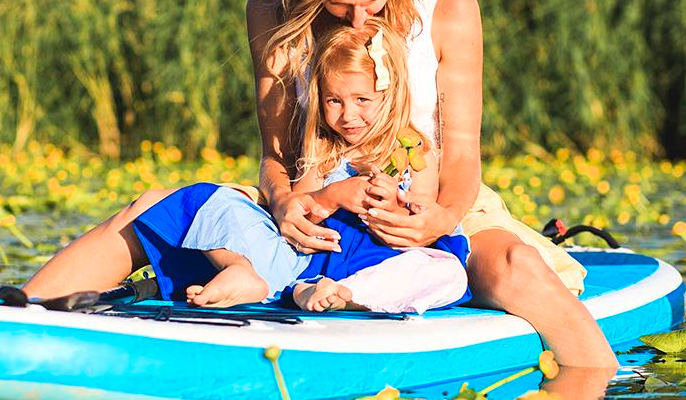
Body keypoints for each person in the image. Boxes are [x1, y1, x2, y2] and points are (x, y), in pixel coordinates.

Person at [246, 0, 616, 367]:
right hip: (314, 198)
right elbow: (275, 154)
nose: (359, 20)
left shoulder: (449, 7)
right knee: (156, 208)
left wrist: (438, 219)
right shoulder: (270, 5)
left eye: (372, 0)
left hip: (437, 201)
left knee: (516, 267)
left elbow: (462, 156)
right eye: (337, 6)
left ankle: (593, 392)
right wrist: (283, 202)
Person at [27, 19, 471, 314]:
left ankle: (337, 297)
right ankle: (248, 272)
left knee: (445, 269)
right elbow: (299, 208)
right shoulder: (322, 141)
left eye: (362, 101)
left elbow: (421, 218)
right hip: (299, 260)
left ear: (388, 97)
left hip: (370, 263)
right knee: (208, 200)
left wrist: (392, 203)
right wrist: (333, 197)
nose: (347, 115)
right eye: (334, 101)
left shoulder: (412, 147)